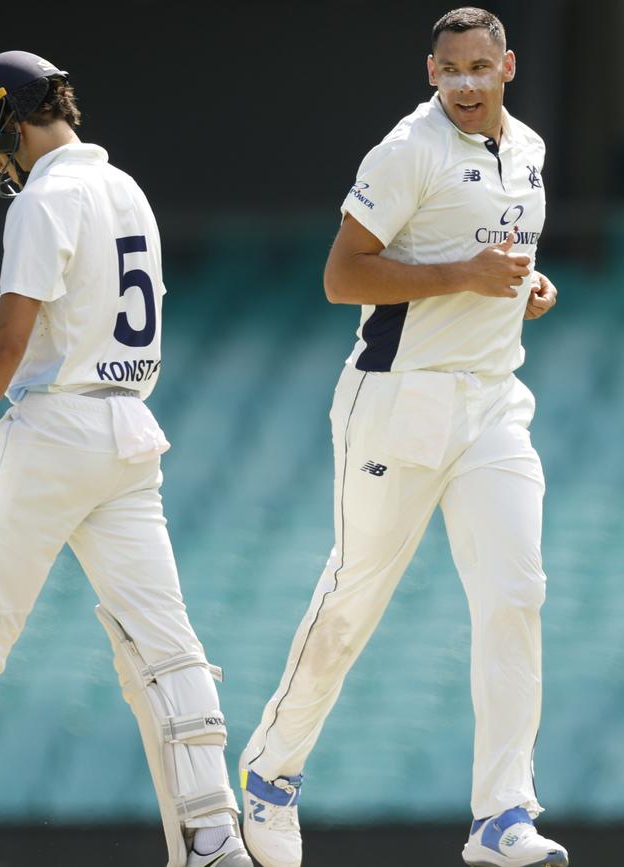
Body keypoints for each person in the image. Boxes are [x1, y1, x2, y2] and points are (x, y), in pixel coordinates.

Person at [239, 8, 568, 867]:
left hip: (494, 403)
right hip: (397, 401)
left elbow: (497, 252)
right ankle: (272, 772)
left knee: (516, 592)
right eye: (449, 67)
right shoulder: (405, 150)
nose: (464, 83)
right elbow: (341, 276)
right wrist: (462, 277)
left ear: (509, 66)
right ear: (430, 70)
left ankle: (502, 813)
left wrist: (527, 287)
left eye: (479, 66)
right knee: (356, 596)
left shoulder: (527, 148)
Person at [0, 51, 252, 867]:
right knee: (166, 647)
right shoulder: (125, 187)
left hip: (56, 428)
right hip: (130, 432)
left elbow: (8, 342)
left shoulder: (44, 197)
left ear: (7, 121)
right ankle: (213, 837)